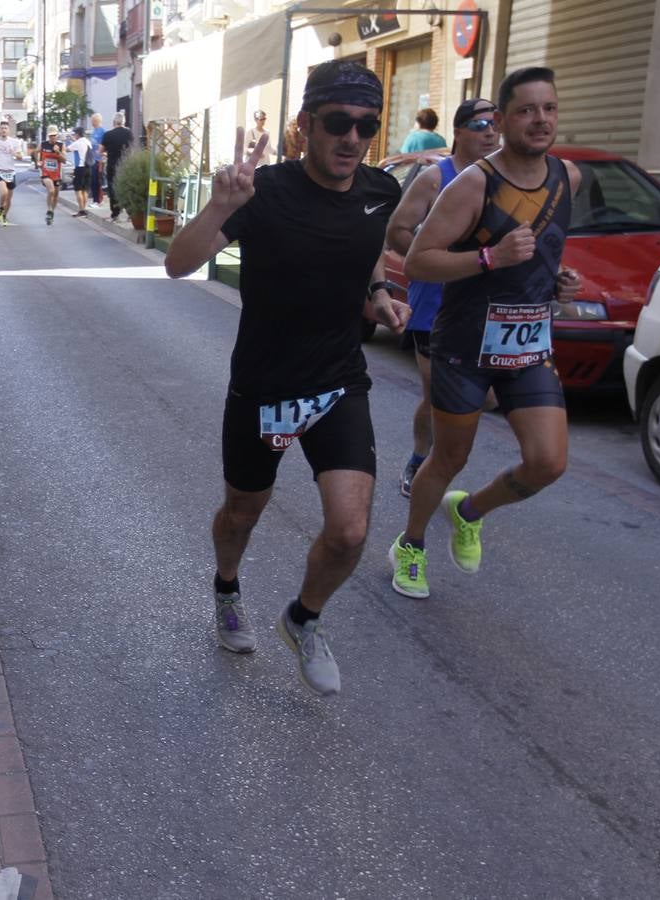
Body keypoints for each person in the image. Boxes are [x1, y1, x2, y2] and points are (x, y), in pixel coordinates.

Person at [163, 61, 408, 696]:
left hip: (337, 385)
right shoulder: (260, 190)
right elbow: (176, 264)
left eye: (366, 125)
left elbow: (367, 245)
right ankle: (226, 588)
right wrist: (220, 205)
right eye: (337, 123)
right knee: (243, 513)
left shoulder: (381, 190)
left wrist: (377, 292)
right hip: (264, 390)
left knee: (351, 530)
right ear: (306, 126)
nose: (352, 138)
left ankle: (302, 618)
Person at [389, 67, 583, 600]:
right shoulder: (474, 183)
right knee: (449, 458)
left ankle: (470, 510)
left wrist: (558, 284)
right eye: (526, 110)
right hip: (465, 346)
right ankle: (410, 545)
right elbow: (418, 260)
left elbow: (545, 250)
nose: (540, 120)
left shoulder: (569, 177)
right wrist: (489, 257)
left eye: (549, 108)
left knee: (549, 462)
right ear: (502, 119)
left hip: (529, 344)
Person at [385, 98, 500, 495]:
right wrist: (433, 255)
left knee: (484, 398)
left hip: (484, 308)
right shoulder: (436, 177)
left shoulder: (503, 180)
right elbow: (397, 230)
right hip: (433, 305)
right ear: (460, 131)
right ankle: (421, 459)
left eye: (495, 124)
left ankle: (439, 460)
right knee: (437, 390)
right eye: (481, 124)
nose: (490, 132)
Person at [0, 120, 25, 225]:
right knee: (4, 192)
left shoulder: (15, 142)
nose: (3, 130)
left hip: (11, 172)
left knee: (9, 198)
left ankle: (4, 216)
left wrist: (14, 153)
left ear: (9, 130)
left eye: (5, 128)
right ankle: (0, 209)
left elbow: (21, 157)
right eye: (1, 128)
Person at [99, 112, 134, 223]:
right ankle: (130, 214)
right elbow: (131, 148)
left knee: (113, 190)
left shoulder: (108, 135)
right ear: (124, 121)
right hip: (125, 165)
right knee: (127, 188)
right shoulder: (129, 133)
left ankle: (115, 214)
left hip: (113, 165)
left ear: (114, 122)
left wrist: (108, 150)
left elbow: (101, 150)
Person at [37, 125, 66, 225]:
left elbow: (64, 160)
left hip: (56, 174)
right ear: (48, 136)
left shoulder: (61, 145)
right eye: (50, 136)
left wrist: (58, 152)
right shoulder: (43, 145)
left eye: (54, 135)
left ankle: (52, 212)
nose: (52, 137)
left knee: (56, 195)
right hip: (45, 172)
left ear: (57, 135)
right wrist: (38, 162)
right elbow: (36, 152)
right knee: (51, 190)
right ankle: (49, 210)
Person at [66, 126, 93, 218]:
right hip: (88, 167)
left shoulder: (77, 143)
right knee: (85, 190)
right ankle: (84, 209)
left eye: (75, 134)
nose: (74, 135)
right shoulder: (88, 142)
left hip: (80, 168)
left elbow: (66, 149)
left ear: (78, 134)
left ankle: (81, 210)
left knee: (78, 190)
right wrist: (73, 140)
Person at [89, 112, 106, 205]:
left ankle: (99, 200)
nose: (91, 122)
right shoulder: (93, 131)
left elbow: (105, 146)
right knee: (93, 180)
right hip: (93, 159)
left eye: (92, 120)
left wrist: (103, 156)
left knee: (97, 180)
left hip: (99, 160)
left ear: (96, 121)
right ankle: (95, 200)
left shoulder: (103, 131)